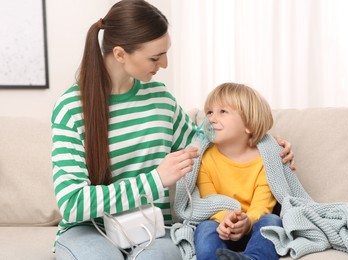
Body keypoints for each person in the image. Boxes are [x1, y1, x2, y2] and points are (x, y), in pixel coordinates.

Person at [51, 1, 294, 259]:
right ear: (120, 54)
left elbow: (206, 142)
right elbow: (72, 202)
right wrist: (156, 180)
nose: (164, 64)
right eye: (155, 57)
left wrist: (267, 146)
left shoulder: (161, 100)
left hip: (153, 228)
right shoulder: (71, 109)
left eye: (165, 53)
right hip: (89, 229)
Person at [194, 83, 282, 260]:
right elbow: (209, 201)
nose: (211, 118)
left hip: (253, 225)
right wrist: (225, 219)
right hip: (222, 226)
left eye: (223, 112)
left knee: (273, 222)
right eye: (209, 112)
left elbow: (262, 206)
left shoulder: (266, 160)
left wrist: (247, 223)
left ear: (248, 125)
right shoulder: (204, 159)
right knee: (204, 228)